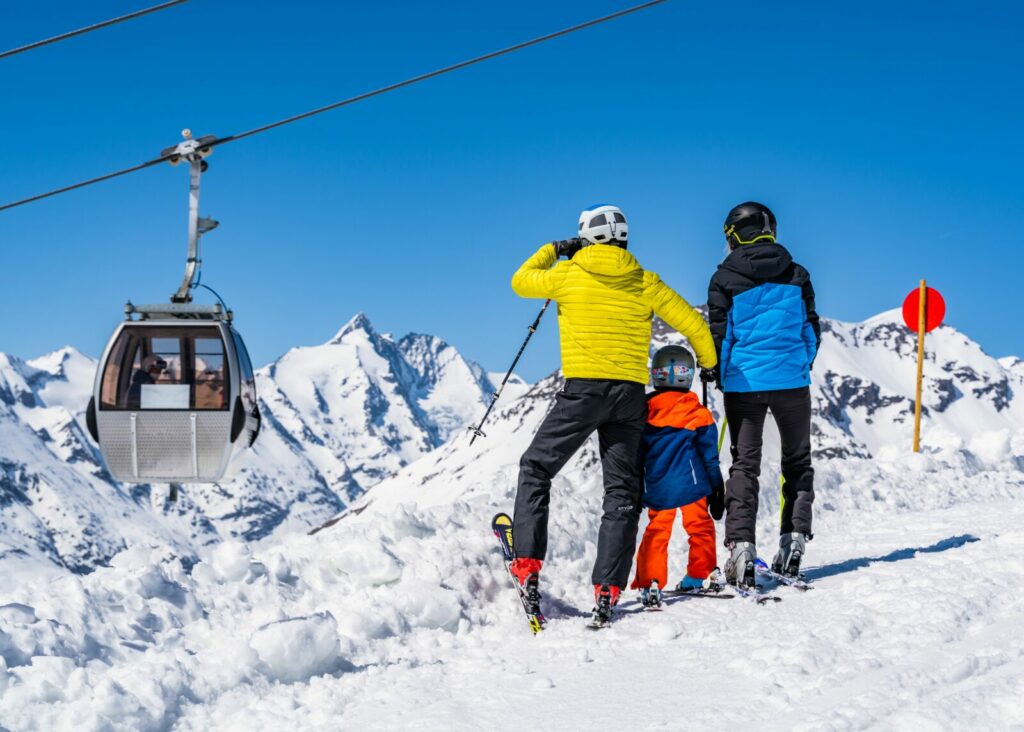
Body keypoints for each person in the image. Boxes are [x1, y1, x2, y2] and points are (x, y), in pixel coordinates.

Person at [508, 203, 717, 626]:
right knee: (621, 492)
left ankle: (527, 565)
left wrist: (555, 248)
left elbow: (520, 281)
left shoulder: (567, 274)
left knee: (536, 467)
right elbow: (694, 325)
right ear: (624, 239)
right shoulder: (644, 281)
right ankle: (608, 588)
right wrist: (709, 363)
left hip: (583, 391)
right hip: (628, 397)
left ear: (584, 237)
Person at [705, 202, 820, 587]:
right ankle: (794, 542)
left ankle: (741, 548)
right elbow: (811, 330)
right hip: (792, 382)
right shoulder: (797, 273)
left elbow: (720, 335)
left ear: (735, 234)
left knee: (744, 465)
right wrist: (799, 363)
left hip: (744, 385)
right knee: (797, 462)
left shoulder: (724, 277)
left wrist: (722, 376)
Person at [630, 345, 724, 607]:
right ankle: (701, 574)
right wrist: (717, 487)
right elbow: (709, 457)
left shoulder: (642, 411)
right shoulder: (699, 413)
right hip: (693, 483)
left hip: (657, 485)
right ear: (688, 375)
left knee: (657, 531)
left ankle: (651, 582)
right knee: (700, 526)